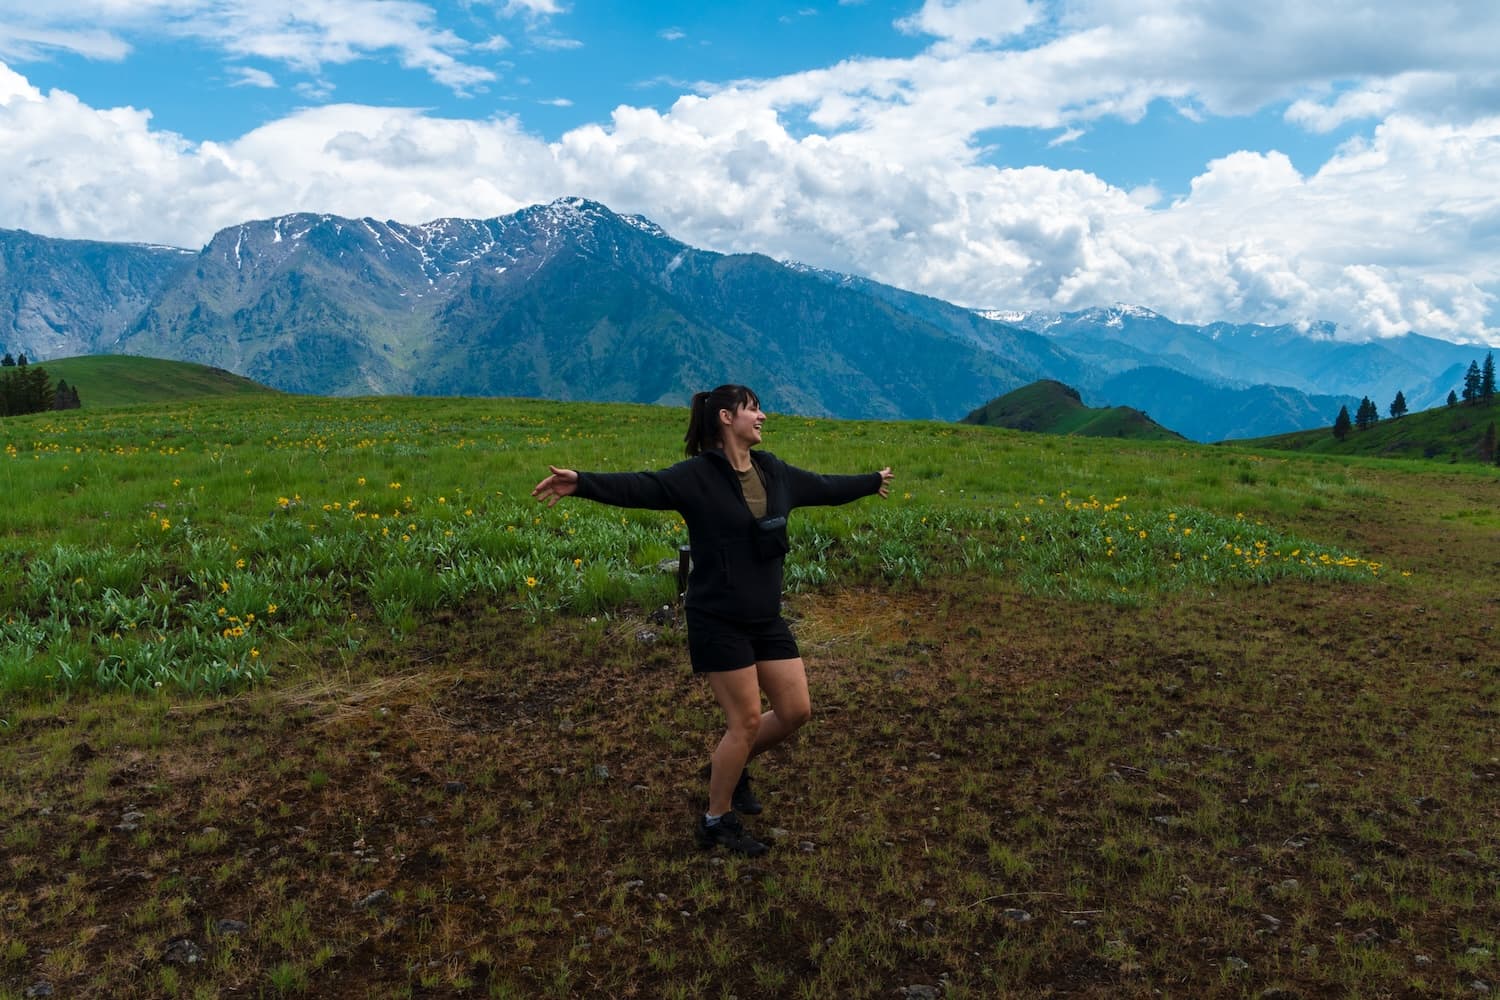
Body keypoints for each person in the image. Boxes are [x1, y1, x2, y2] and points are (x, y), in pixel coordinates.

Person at [532, 384, 893, 856]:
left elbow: (824, 487)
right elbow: (643, 486)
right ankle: (715, 819)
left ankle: (731, 764)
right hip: (717, 619)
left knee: (795, 711)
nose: (763, 416)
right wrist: (582, 482)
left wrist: (871, 481)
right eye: (753, 409)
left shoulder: (774, 472)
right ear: (726, 417)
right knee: (743, 721)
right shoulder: (697, 477)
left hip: (765, 618)